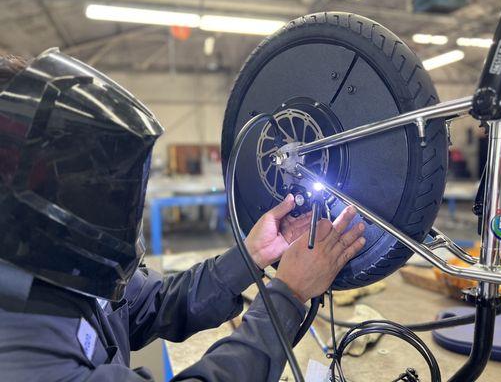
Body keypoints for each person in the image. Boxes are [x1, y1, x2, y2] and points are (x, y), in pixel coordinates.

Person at [0, 49, 366, 382]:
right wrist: (288, 294)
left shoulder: (58, 262)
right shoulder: (18, 352)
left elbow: (155, 303)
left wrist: (249, 257)